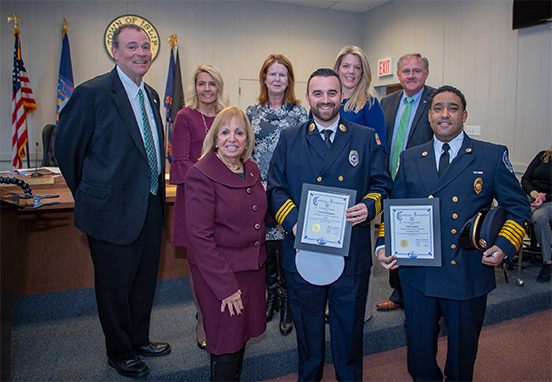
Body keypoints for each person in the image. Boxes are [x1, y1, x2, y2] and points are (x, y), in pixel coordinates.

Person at [376, 85, 531, 382]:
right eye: (437, 108)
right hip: (417, 272)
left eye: (452, 108)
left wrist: (504, 244)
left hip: (466, 272)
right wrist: (385, 243)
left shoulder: (491, 155)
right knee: (419, 354)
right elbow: (395, 205)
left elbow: (518, 207)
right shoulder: (410, 157)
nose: (444, 114)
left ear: (464, 115)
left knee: (462, 356)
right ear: (429, 117)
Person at [55, 24, 170, 379]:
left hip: (150, 206)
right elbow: (66, 150)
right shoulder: (92, 93)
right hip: (110, 210)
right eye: (131, 46)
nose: (141, 52)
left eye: (146, 46)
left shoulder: (150, 94)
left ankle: (138, 339)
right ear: (116, 53)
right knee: (114, 287)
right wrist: (92, 193)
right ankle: (119, 352)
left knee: (144, 281)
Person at [267, 68, 392, 381]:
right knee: (308, 332)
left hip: (350, 252)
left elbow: (382, 183)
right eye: (318, 93)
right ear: (308, 96)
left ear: (342, 96)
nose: (325, 100)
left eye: (332, 93)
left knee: (349, 331)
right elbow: (276, 187)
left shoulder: (364, 138)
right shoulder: (290, 137)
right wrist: (294, 223)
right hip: (302, 248)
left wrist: (368, 206)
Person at [185, 107, 267, 381]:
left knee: (240, 339)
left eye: (239, 132)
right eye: (225, 131)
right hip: (221, 275)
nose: (232, 138)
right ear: (215, 137)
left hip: (251, 271)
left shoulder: (251, 169)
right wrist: (226, 288)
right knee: (226, 344)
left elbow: (257, 214)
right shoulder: (201, 174)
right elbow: (199, 239)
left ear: (247, 139)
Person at [246, 54, 308, 336]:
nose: (277, 79)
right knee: (266, 250)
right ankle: (272, 297)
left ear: (289, 80)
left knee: (286, 249)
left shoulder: (299, 114)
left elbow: (306, 155)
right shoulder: (251, 113)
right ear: (264, 78)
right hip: (259, 193)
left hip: (287, 194)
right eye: (272, 74)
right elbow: (244, 153)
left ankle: (288, 305)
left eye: (282, 74)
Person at [170, 64, 230, 349]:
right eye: (201, 84)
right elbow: (180, 163)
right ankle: (203, 319)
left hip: (224, 203)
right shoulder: (184, 117)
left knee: (219, 261)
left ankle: (219, 314)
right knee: (198, 263)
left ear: (219, 87)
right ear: (194, 88)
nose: (206, 89)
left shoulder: (224, 117)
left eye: (211, 83)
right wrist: (213, 180)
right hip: (193, 201)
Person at [376, 53, 435, 312]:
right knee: (391, 235)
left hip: (421, 184)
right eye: (406, 71)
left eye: (417, 71)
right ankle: (397, 292)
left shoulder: (436, 100)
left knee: (417, 241)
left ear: (426, 74)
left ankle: (418, 301)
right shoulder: (386, 102)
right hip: (390, 182)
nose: (411, 75)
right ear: (398, 75)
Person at [333, 45, 387, 156]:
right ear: (338, 69)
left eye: (357, 67)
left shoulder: (370, 104)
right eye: (346, 66)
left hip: (356, 170)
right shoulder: (324, 102)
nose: (351, 71)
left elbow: (380, 149)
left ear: (362, 72)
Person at [521, 142, 552, 282]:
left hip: (549, 200)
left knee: (539, 217)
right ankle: (505, 253)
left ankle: (547, 262)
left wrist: (544, 197)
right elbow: (525, 179)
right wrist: (535, 194)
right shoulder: (542, 156)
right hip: (532, 196)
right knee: (508, 209)